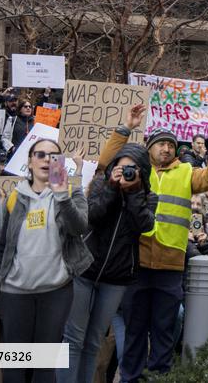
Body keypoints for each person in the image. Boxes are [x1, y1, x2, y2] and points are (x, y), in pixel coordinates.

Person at [96, 105, 208, 383]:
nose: (166, 148)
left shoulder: (186, 171)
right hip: (137, 262)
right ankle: (130, 378)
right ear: (149, 147)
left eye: (170, 144)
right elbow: (106, 164)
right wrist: (125, 129)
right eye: (161, 144)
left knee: (164, 329)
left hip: (171, 265)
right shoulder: (137, 169)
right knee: (134, 329)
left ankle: (159, 377)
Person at [0, 139, 90, 383]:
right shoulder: (14, 197)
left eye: (54, 156)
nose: (47, 160)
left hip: (56, 292)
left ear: (61, 163)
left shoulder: (70, 193)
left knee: (44, 366)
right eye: (40, 154)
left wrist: (62, 196)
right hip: (15, 292)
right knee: (15, 366)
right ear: (29, 162)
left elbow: (79, 227)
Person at [60, 144, 154, 383]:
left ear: (142, 172)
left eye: (132, 169)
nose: (126, 172)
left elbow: (144, 225)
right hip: (85, 269)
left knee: (94, 341)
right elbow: (91, 216)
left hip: (116, 277)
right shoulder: (101, 184)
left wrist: (133, 193)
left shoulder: (148, 197)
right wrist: (112, 188)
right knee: (73, 338)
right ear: (113, 167)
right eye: (122, 167)